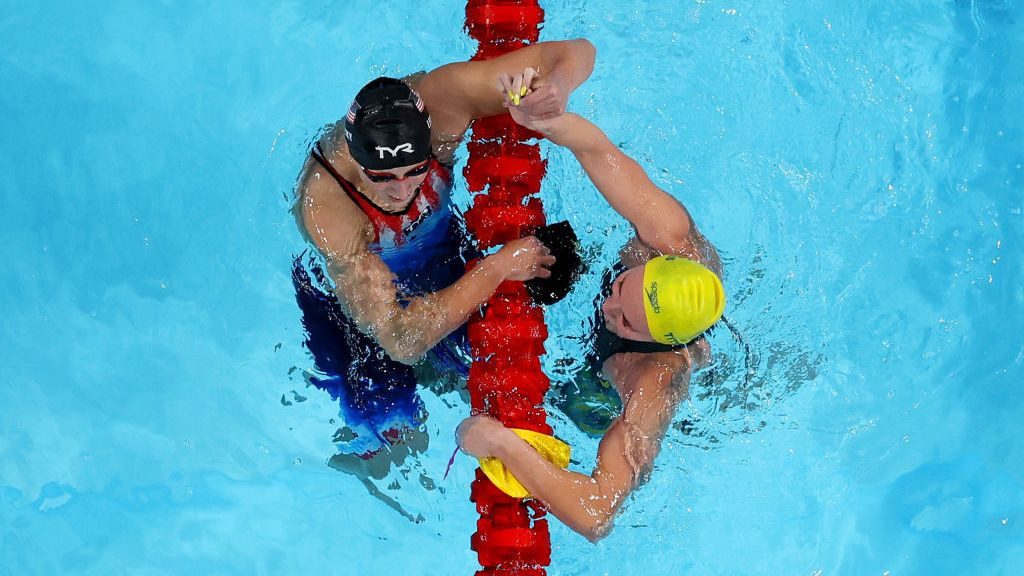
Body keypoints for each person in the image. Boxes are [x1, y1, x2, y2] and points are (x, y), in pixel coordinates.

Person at [291, 40, 596, 480]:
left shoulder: (444, 100)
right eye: (382, 178)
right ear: (357, 163)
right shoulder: (327, 206)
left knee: (516, 340)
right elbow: (401, 339)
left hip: (440, 251)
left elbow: (576, 52)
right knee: (391, 433)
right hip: (357, 301)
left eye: (415, 170)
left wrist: (556, 87)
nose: (401, 191)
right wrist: (496, 267)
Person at [457, 97, 726, 541]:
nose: (606, 309)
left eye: (624, 321)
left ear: (657, 339)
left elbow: (596, 515)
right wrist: (545, 118)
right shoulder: (668, 235)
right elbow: (600, 152)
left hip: (598, 394)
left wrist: (501, 442)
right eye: (621, 291)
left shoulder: (653, 382)